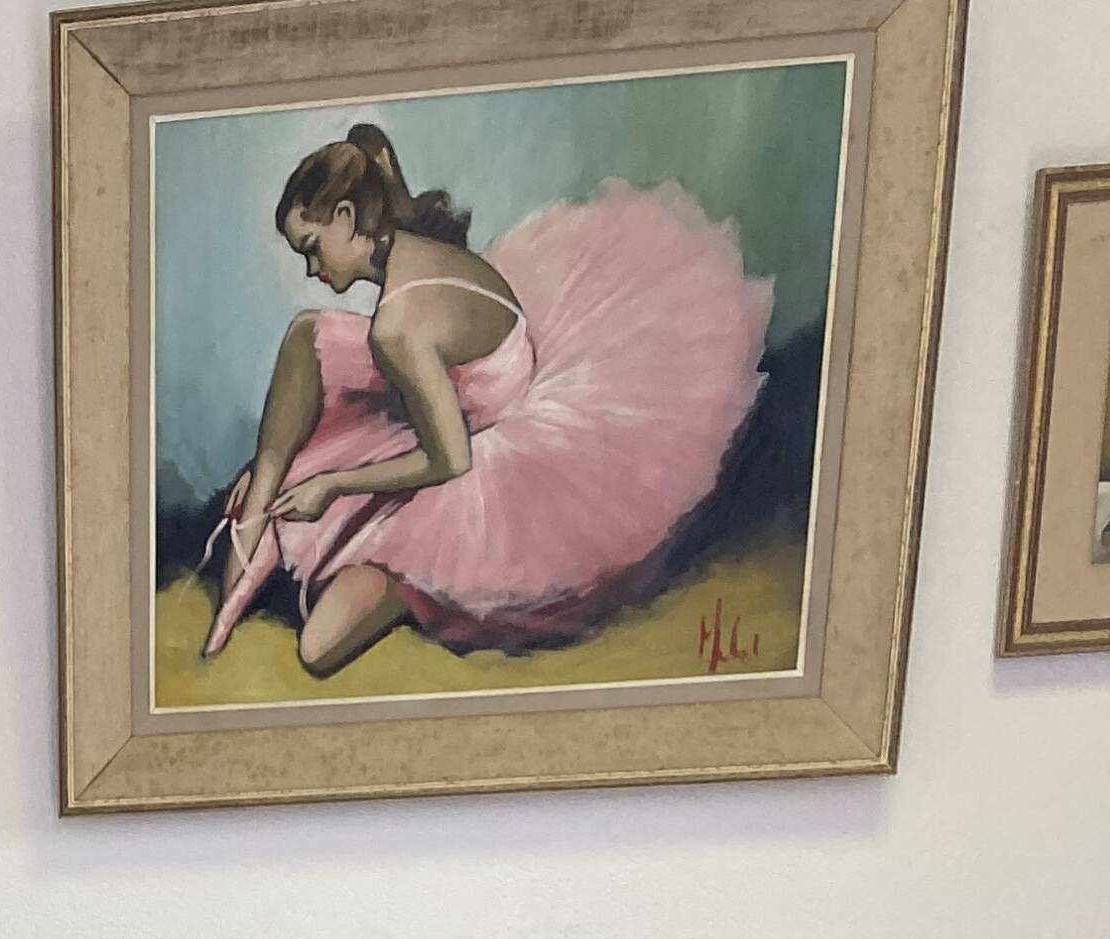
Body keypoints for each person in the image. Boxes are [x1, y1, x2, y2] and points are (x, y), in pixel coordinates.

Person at [204, 122, 774, 679]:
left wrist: (334, 483)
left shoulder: (398, 327)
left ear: (348, 217)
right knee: (308, 334)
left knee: (318, 649)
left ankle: (404, 579)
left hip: (486, 447)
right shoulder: (409, 248)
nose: (312, 267)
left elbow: (451, 461)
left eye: (312, 248)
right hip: (458, 391)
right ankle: (259, 508)